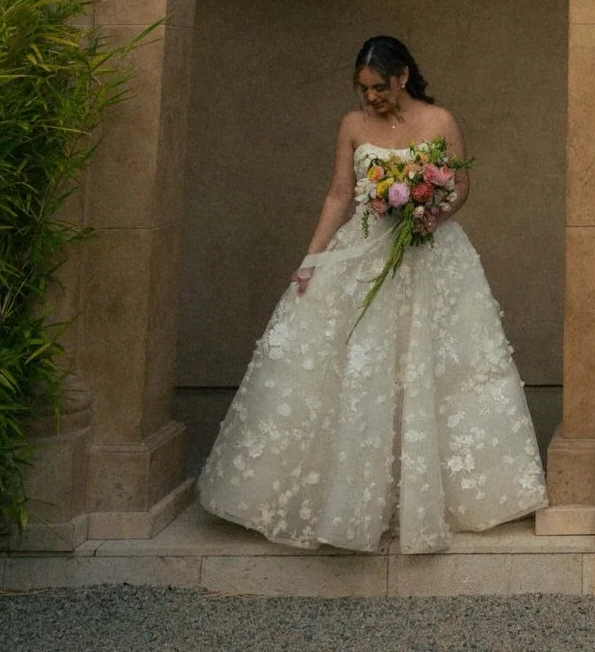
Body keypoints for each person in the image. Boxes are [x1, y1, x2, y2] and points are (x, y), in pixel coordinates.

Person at [198, 35, 547, 551]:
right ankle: (351, 501)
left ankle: (431, 498)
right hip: (363, 254)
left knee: (432, 365)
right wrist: (312, 258)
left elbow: (460, 185)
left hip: (431, 257)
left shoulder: (440, 121)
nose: (370, 99)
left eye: (378, 88)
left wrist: (434, 212)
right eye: (362, 89)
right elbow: (340, 192)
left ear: (402, 77)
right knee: (361, 367)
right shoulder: (352, 126)